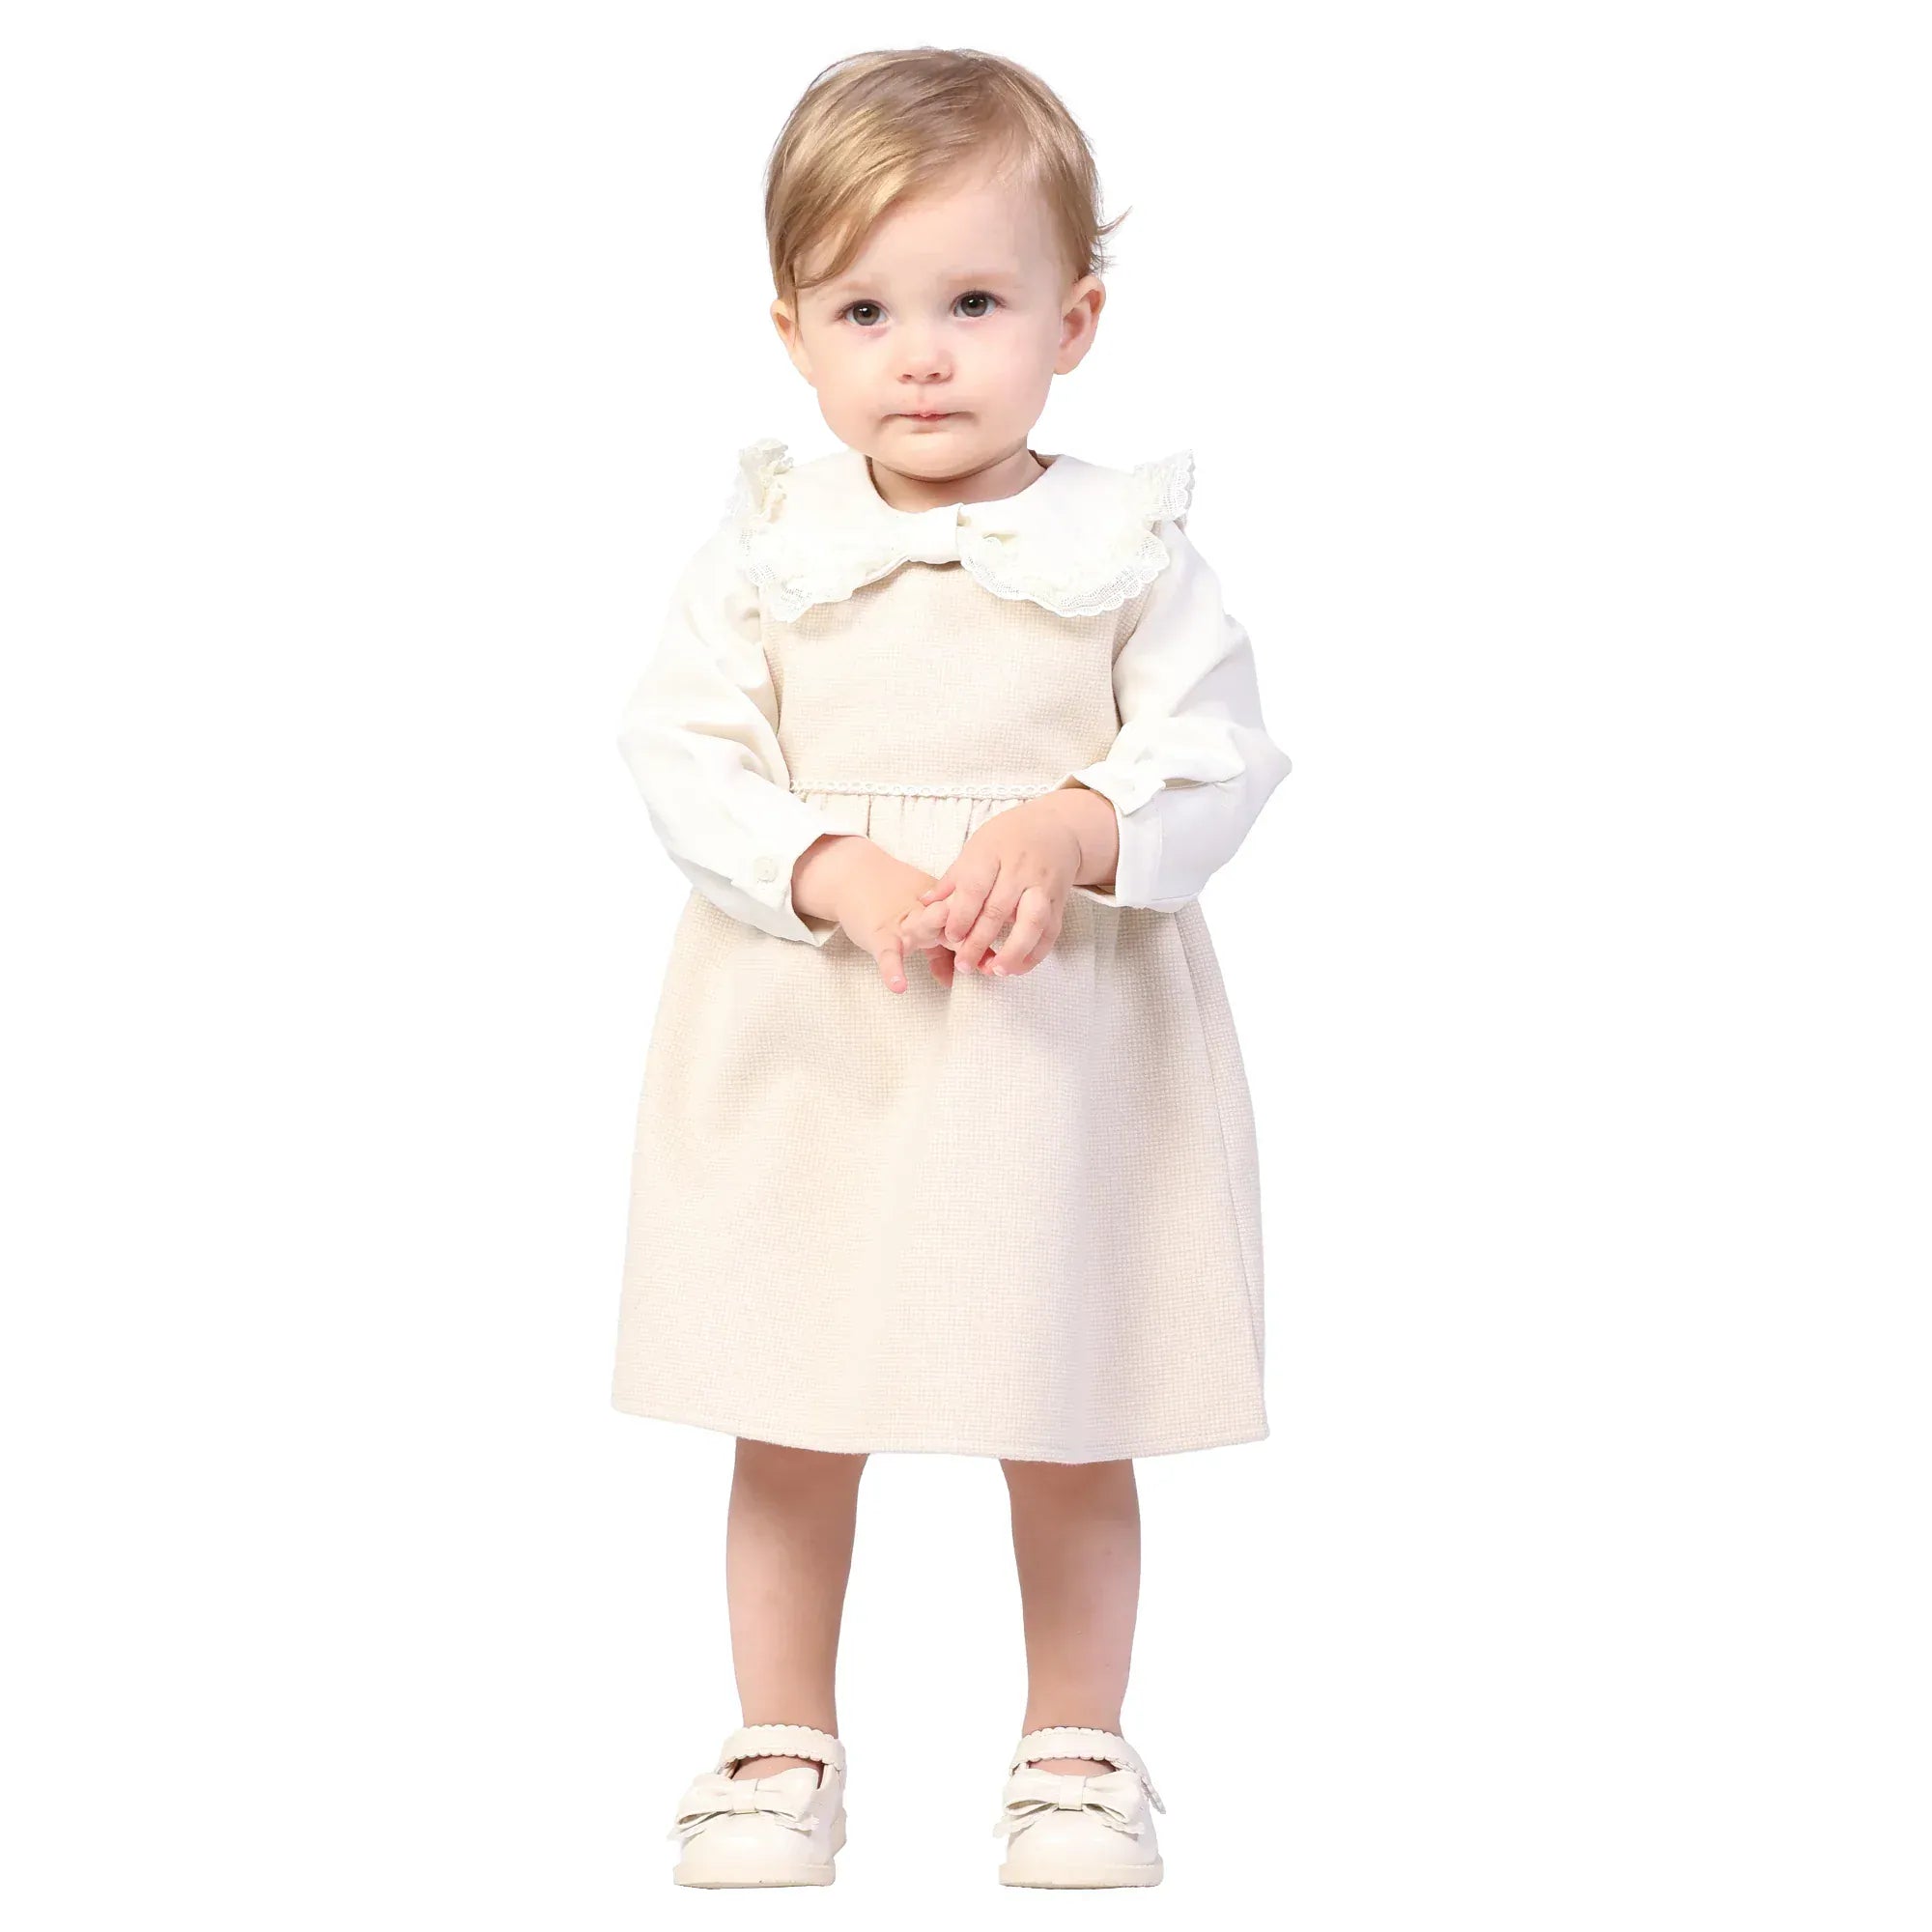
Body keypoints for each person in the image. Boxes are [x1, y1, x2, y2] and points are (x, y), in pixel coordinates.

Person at [613, 47, 1293, 1890]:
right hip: (815, 1039)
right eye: (867, 309)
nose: (921, 356)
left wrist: (1074, 825)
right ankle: (780, 1739)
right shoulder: (769, 548)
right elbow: (685, 749)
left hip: (1048, 1048)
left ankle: (1074, 1744)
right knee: (790, 1406)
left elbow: (1217, 749)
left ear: (1072, 321)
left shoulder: (1125, 549)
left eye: (974, 303)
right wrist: (821, 862)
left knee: (1066, 1405)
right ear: (792, 332)